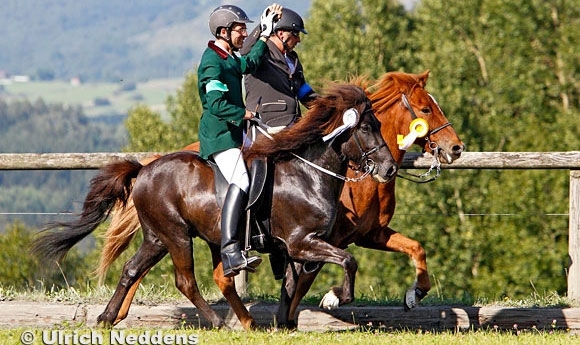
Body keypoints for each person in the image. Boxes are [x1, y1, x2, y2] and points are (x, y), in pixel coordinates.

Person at [197, 3, 282, 278]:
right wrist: (245, 113)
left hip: (237, 133)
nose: (244, 33)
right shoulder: (212, 62)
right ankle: (231, 251)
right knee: (242, 181)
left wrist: (265, 35)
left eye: (245, 29)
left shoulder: (229, 57)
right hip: (220, 136)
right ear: (224, 31)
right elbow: (215, 105)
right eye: (240, 29)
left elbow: (250, 63)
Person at [241, 7, 317, 131]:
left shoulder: (293, 59)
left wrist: (328, 106)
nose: (298, 40)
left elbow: (303, 90)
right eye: (295, 34)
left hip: (294, 124)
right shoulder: (260, 51)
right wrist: (264, 24)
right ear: (281, 33)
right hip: (264, 125)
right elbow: (245, 50)